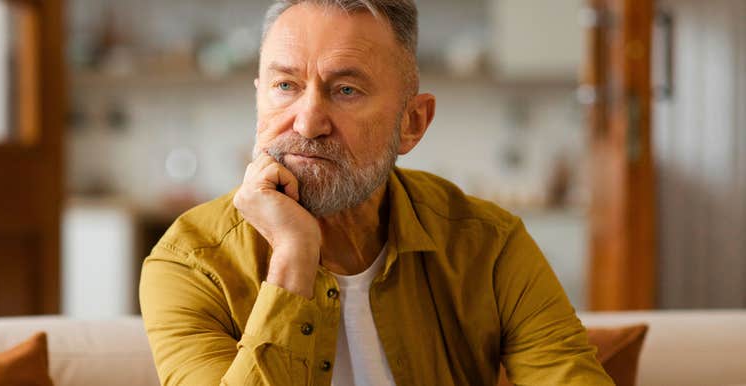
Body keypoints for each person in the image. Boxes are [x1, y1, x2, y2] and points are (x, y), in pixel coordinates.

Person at [139, 1, 614, 385]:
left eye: (345, 90)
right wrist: (293, 254)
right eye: (286, 86)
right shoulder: (189, 263)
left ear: (412, 123)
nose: (307, 122)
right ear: (258, 99)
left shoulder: (489, 245)